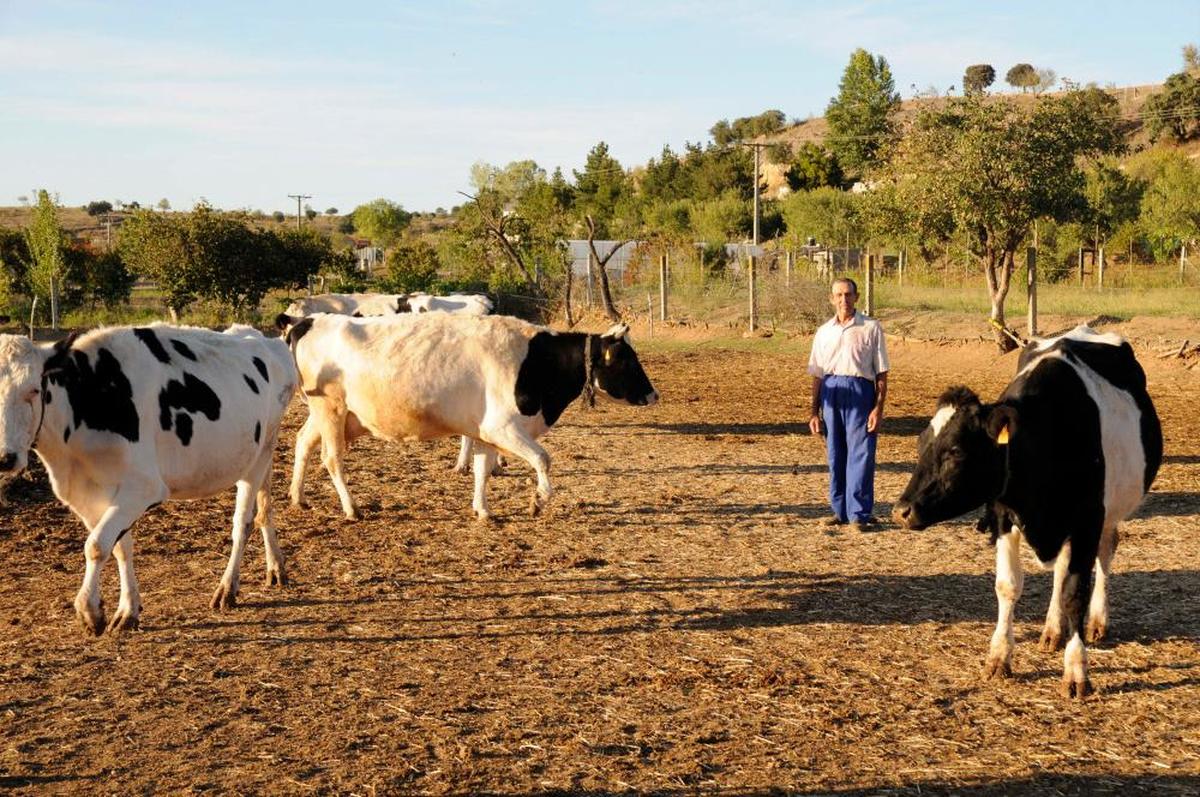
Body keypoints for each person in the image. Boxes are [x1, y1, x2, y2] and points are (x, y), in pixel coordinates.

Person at [807, 277, 889, 531]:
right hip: (831, 393)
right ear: (832, 299)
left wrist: (878, 408)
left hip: (860, 391)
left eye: (848, 294)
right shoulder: (824, 331)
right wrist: (814, 411)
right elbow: (818, 375)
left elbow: (882, 373)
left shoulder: (871, 328)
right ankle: (839, 511)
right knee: (835, 452)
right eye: (839, 295)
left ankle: (859, 514)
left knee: (861, 453)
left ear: (857, 297)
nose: (844, 300)